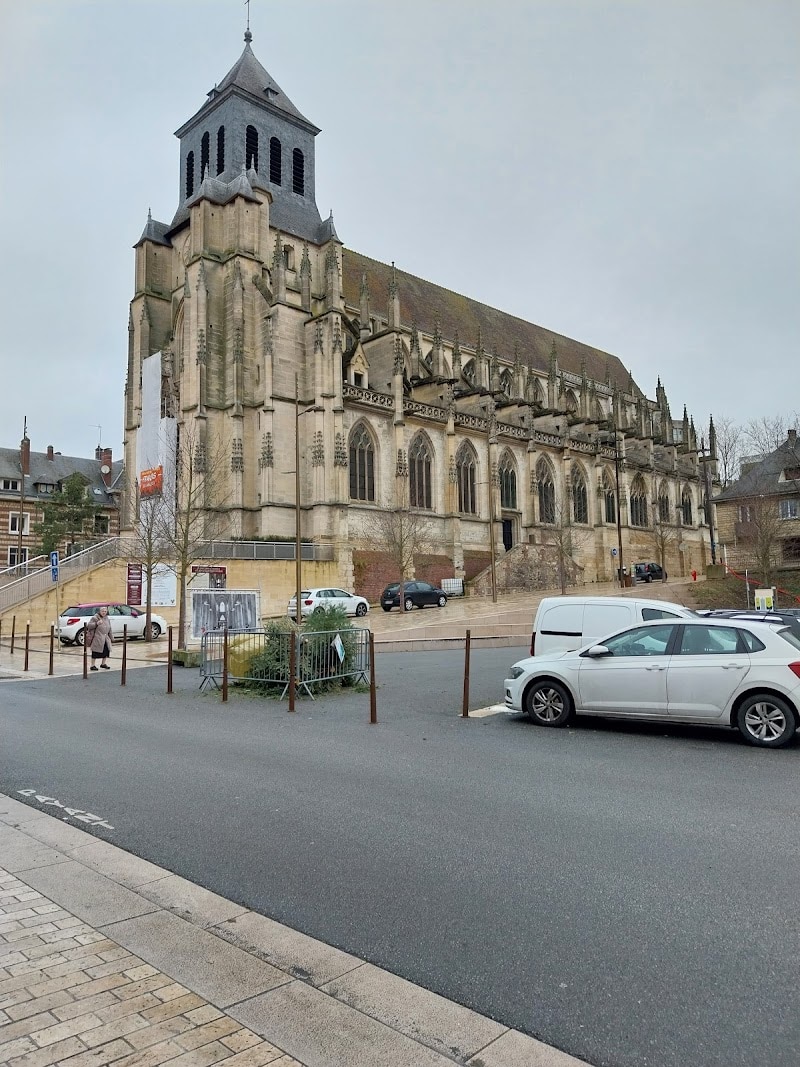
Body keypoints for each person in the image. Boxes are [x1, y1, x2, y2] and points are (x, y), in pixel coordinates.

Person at [86, 605, 113, 671]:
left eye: (105, 611)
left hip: (105, 638)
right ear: (99, 611)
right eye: (102, 611)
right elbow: (89, 626)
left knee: (106, 651)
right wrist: (96, 623)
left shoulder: (107, 618)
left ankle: (103, 664)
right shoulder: (95, 618)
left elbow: (110, 628)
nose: (104, 612)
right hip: (97, 638)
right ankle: (92, 665)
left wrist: (111, 637)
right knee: (95, 652)